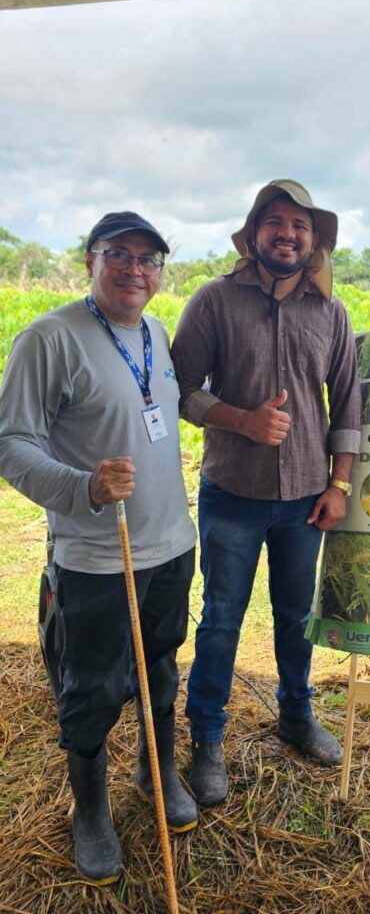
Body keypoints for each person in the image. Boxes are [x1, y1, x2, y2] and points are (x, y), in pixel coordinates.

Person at [0, 213, 198, 884]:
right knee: (92, 688)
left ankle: (155, 771)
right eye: (119, 254)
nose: (134, 269)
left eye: (149, 258)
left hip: (171, 546)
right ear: (91, 260)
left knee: (161, 668)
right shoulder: (49, 338)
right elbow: (12, 443)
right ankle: (90, 810)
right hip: (95, 558)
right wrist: (83, 486)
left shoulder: (156, 333)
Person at [171, 178, 361, 806]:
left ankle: (296, 716)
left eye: (300, 225)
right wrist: (241, 420)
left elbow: (347, 403)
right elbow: (181, 388)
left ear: (314, 241)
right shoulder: (214, 300)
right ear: (253, 234)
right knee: (221, 619)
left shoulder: (331, 313)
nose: (287, 234)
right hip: (233, 493)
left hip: (306, 498)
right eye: (275, 222)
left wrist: (339, 483)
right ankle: (207, 738)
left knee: (296, 617)